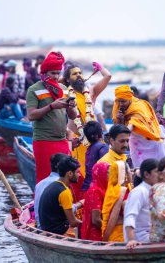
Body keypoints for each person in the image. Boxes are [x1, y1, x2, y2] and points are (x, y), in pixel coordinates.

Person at [26, 52, 77, 183]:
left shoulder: (64, 89)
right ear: (44, 73)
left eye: (58, 73)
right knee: (44, 179)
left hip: (62, 141)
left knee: (66, 178)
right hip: (43, 141)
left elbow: (73, 115)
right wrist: (51, 106)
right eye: (52, 73)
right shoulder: (34, 89)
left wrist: (71, 106)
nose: (55, 76)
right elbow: (31, 115)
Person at [63, 61, 111, 178]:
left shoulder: (91, 92)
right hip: (76, 140)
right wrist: (64, 79)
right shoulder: (65, 95)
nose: (79, 75)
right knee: (79, 173)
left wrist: (100, 67)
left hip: (95, 139)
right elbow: (56, 82)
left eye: (80, 73)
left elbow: (108, 76)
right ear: (68, 79)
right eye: (75, 74)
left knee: (100, 170)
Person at [113, 85, 165, 167]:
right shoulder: (117, 105)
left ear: (130, 99)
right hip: (136, 142)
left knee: (158, 167)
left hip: (150, 139)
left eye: (123, 101)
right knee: (139, 168)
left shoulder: (138, 107)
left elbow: (130, 127)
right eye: (119, 101)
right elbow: (118, 126)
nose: (120, 104)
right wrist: (119, 119)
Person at [39, 156, 82, 235]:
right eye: (77, 172)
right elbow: (73, 222)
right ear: (70, 173)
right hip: (58, 232)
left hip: (47, 229)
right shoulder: (64, 192)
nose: (79, 175)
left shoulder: (53, 185)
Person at [124, 159, 159, 249]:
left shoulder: (156, 191)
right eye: (157, 172)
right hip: (141, 240)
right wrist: (131, 240)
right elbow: (130, 216)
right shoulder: (139, 192)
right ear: (147, 174)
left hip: (154, 236)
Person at [34, 152, 67, 228]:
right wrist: (80, 204)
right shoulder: (60, 184)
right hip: (51, 227)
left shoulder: (39, 184)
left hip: (40, 224)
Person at [101, 161, 130, 242]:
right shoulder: (121, 191)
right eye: (129, 171)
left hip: (117, 233)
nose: (131, 173)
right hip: (120, 234)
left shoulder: (113, 189)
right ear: (125, 175)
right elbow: (114, 217)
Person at [81, 161, 109, 241]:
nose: (110, 175)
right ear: (100, 174)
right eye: (107, 173)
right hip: (96, 236)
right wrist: (109, 230)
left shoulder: (102, 189)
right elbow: (96, 220)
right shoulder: (96, 191)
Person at [81, 121, 109, 192]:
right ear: (99, 135)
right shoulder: (103, 147)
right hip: (96, 189)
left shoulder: (89, 149)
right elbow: (105, 168)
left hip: (86, 187)